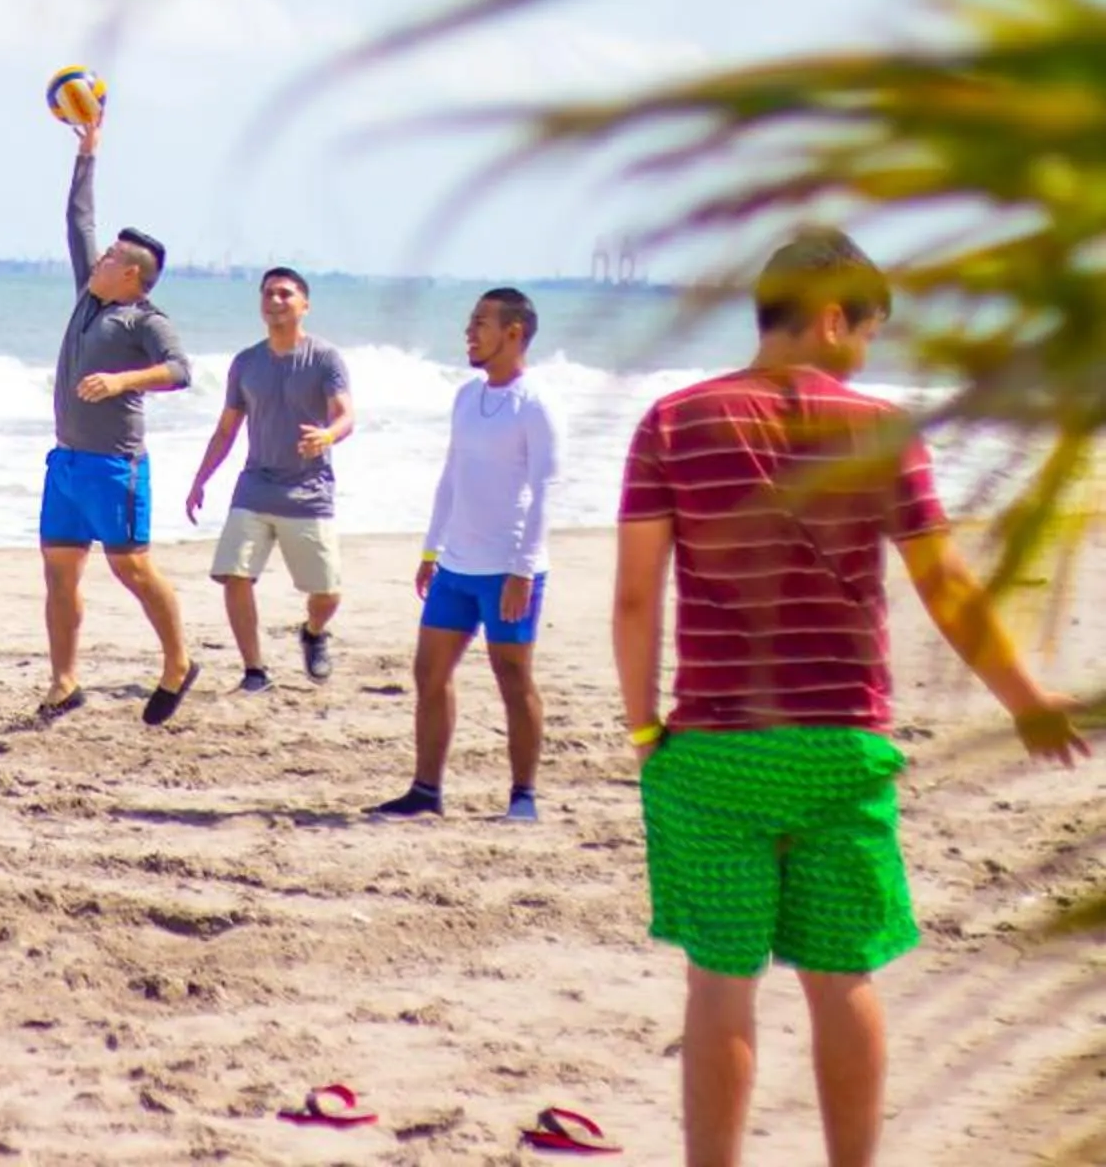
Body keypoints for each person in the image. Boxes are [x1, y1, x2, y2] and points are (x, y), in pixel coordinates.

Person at [615, 230, 1089, 1167]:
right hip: (842, 746)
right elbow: (946, 587)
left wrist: (644, 729)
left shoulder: (671, 422)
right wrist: (1026, 698)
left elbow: (636, 598)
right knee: (842, 977)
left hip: (713, 750)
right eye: (868, 332)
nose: (867, 354)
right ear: (833, 317)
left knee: (720, 983)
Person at [374, 286, 556, 821]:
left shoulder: (536, 403)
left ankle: (523, 795)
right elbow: (451, 475)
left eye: (481, 323)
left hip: (508, 569)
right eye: (470, 322)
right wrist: (432, 548)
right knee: (428, 673)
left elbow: (546, 489)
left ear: (513, 332)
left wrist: (523, 569)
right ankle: (426, 790)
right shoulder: (465, 396)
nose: (469, 332)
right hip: (456, 565)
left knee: (512, 678)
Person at [39, 111, 197, 724]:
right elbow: (77, 221)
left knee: (131, 567)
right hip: (67, 463)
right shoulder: (89, 294)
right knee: (59, 573)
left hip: (116, 466)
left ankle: (179, 662)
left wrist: (124, 380)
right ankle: (64, 681)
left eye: (109, 257)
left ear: (130, 274)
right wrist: (88, 153)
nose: (98, 257)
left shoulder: (145, 320)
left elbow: (181, 371)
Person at [185, 267, 354, 691]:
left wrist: (328, 435)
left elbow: (346, 415)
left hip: (309, 491)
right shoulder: (246, 363)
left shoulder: (324, 358)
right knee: (235, 575)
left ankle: (314, 632)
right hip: (255, 485)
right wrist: (200, 479)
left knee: (327, 594)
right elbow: (227, 429)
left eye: (284, 294)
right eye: (267, 294)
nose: (274, 301)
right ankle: (255, 670)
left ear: (304, 305)